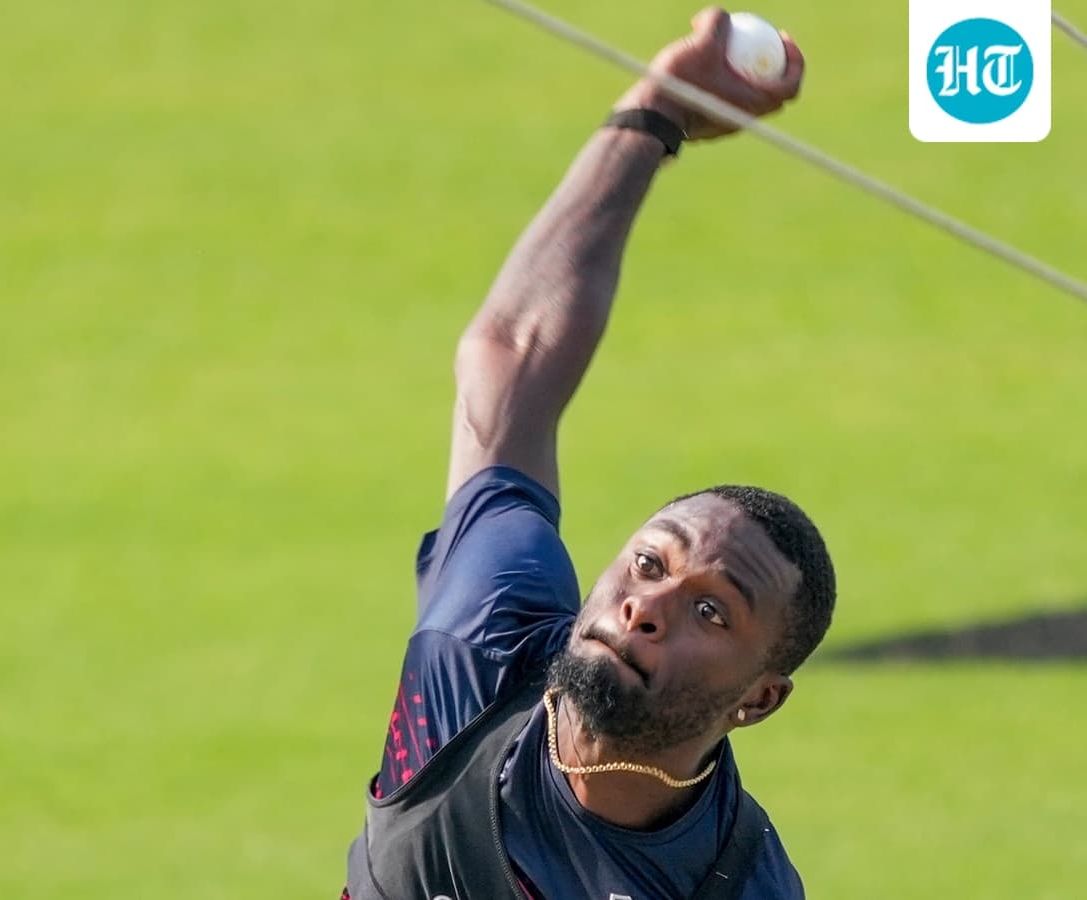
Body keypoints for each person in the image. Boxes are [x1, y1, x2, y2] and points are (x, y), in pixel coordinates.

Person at [341, 8, 834, 900]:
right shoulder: (485, 648)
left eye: (712, 613)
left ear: (756, 700)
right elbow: (512, 352)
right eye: (649, 563)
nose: (647, 605)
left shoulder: (737, 886)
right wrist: (656, 114)